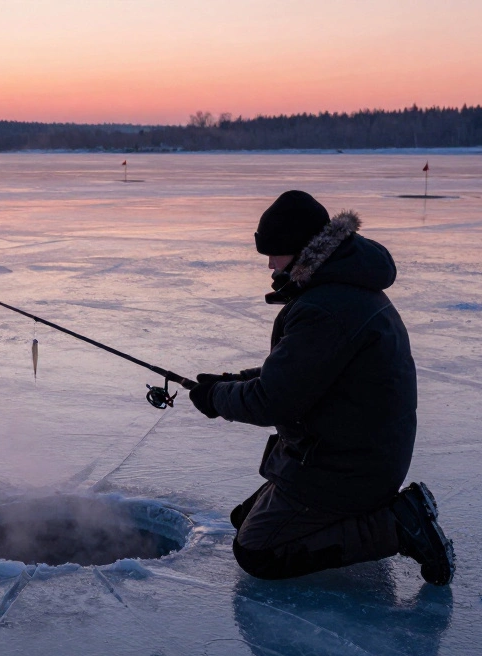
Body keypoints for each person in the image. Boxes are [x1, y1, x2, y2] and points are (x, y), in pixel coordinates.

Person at [188, 190, 455, 585]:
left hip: (351, 465)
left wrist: (215, 398)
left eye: (274, 252)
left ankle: (397, 525)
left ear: (298, 251)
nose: (268, 264)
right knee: (244, 519)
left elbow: (272, 400)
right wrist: (233, 382)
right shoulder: (341, 283)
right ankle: (368, 515)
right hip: (358, 450)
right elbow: (300, 371)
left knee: (257, 551)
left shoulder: (324, 308)